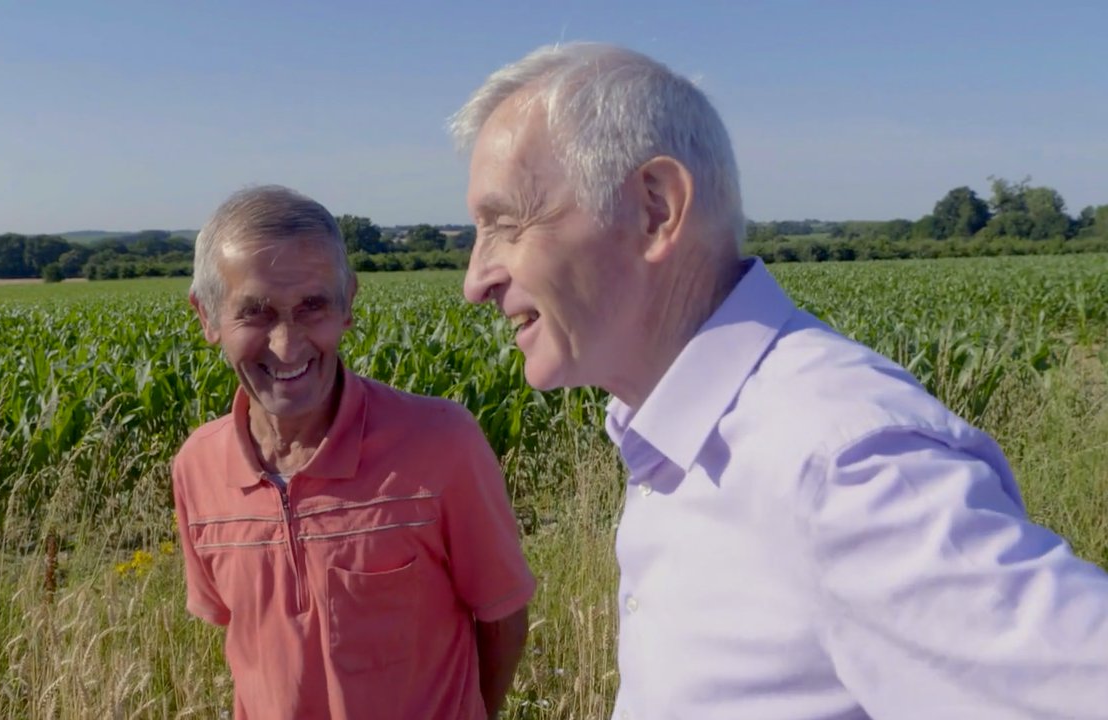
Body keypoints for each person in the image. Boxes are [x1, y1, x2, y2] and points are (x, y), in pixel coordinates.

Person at [449, 42, 1108, 719]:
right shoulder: (682, 437)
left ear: (655, 208)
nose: (476, 280)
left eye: (506, 223)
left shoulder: (837, 465)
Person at [171, 185, 535, 719]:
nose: (286, 345)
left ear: (348, 306)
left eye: (312, 307)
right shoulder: (197, 466)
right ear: (207, 317)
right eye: (255, 312)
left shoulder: (442, 442)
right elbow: (247, 635)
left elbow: (502, 618)